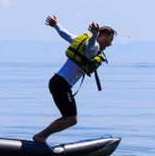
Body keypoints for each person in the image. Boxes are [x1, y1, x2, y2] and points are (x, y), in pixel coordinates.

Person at [32, 16, 115, 144]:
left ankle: (42, 137)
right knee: (71, 119)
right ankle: (40, 137)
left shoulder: (82, 42)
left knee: (68, 117)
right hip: (61, 84)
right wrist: (93, 35)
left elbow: (66, 35)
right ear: (102, 37)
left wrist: (56, 25)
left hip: (57, 82)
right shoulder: (94, 46)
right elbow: (91, 46)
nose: (110, 44)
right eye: (109, 40)